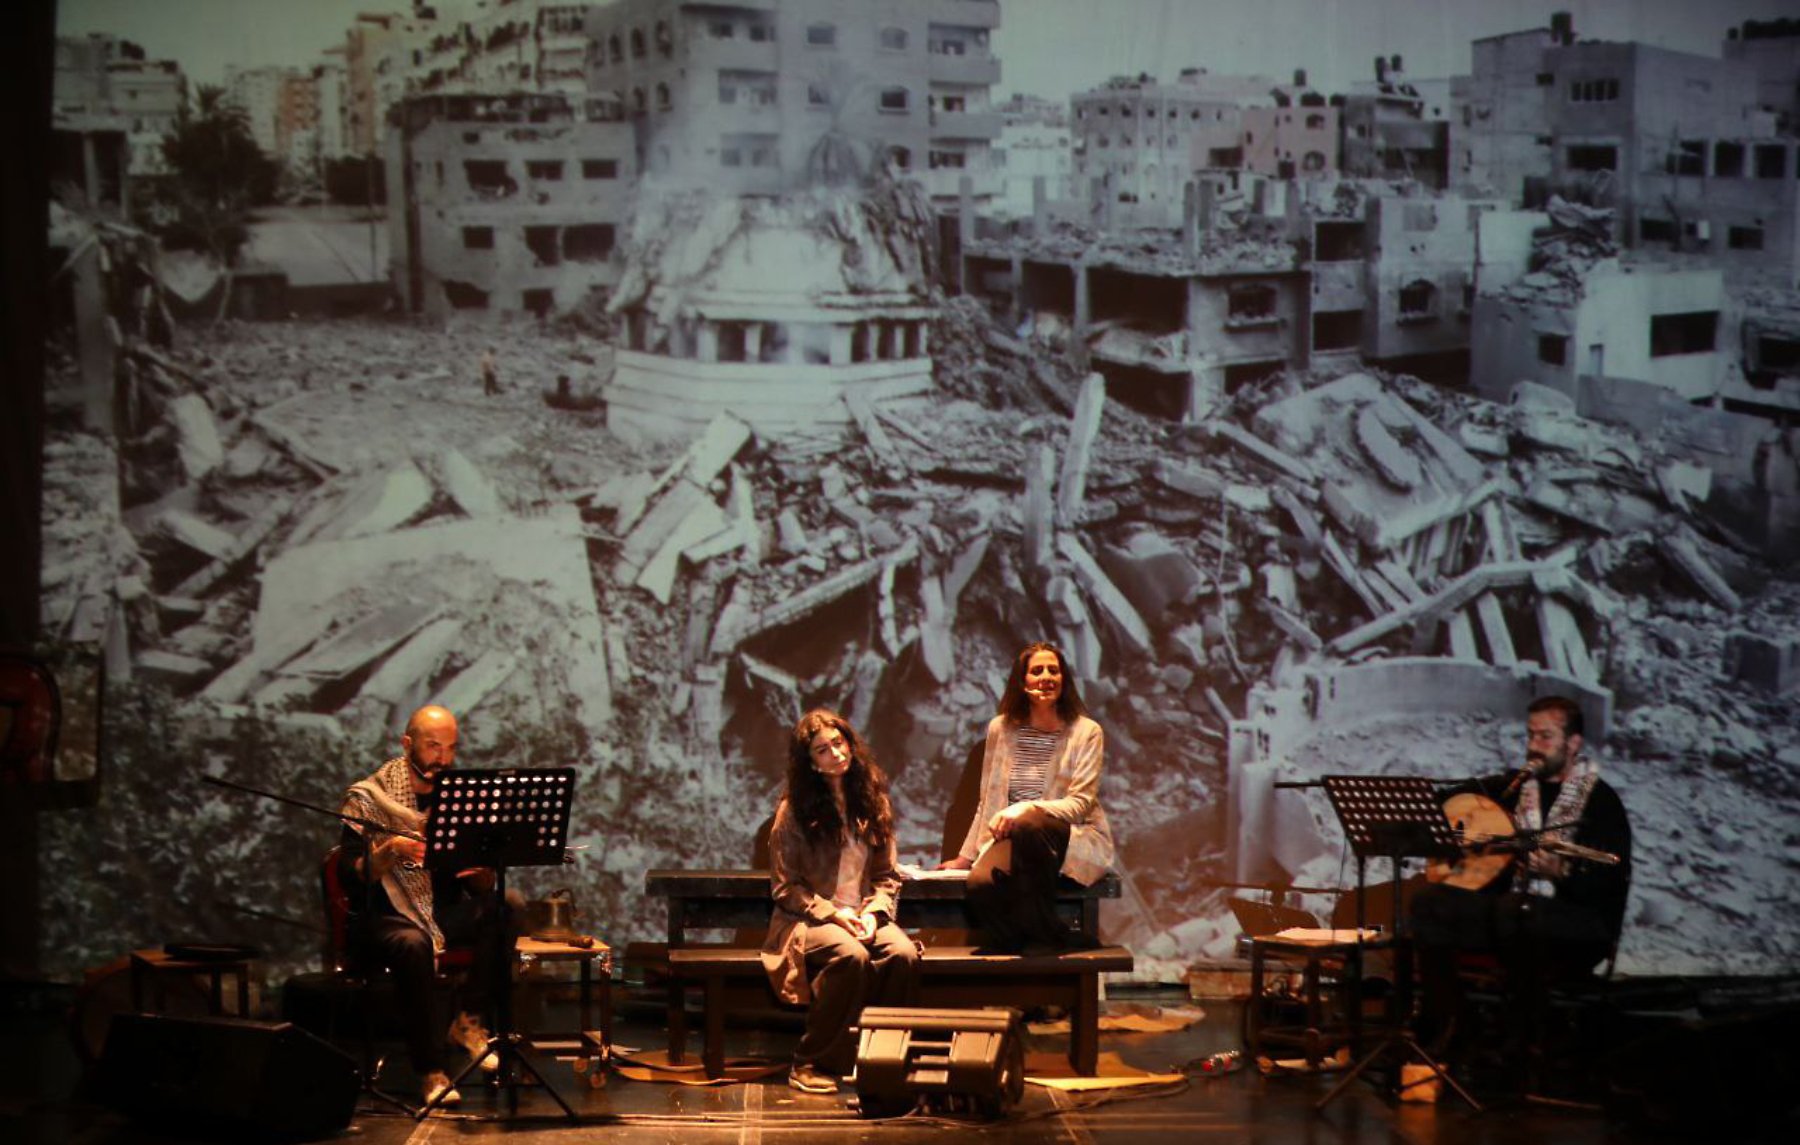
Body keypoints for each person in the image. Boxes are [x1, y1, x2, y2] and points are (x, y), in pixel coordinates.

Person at [1408, 695, 1632, 1070]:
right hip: (1511, 915)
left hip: (1580, 924)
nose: (1533, 746)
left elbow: (1610, 879)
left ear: (1573, 743)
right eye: (1530, 735)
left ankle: (1520, 1041)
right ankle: (1459, 1029)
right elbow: (1450, 802)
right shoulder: (1513, 789)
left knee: (1518, 910)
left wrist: (1560, 872)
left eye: (1545, 736)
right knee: (1430, 903)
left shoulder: (1601, 801)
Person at [338, 705, 516, 1107]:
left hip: (437, 912)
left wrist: (480, 868)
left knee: (506, 904)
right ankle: (429, 1070)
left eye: (451, 748)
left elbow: (480, 884)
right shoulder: (370, 797)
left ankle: (468, 1020)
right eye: (434, 746)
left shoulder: (460, 796)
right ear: (408, 744)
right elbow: (352, 875)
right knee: (412, 943)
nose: (444, 758)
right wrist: (390, 850)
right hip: (381, 918)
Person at [762, 709, 920, 1095]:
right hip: (806, 922)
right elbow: (785, 888)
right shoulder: (795, 811)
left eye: (839, 743)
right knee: (851, 955)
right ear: (811, 763)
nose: (835, 753)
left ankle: (881, 1055)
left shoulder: (872, 802)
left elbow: (886, 876)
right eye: (822, 750)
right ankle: (810, 1061)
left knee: (902, 953)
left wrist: (873, 913)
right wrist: (835, 914)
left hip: (862, 915)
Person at [938, 641, 1115, 953]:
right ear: (1022, 681)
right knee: (981, 884)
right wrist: (966, 857)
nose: (1046, 676)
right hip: (1014, 836)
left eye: (1053, 670)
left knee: (1032, 822)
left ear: (1064, 679)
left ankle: (1043, 944)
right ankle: (1047, 940)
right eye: (1036, 671)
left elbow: (1079, 805)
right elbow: (987, 800)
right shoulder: (1001, 729)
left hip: (1068, 836)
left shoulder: (1086, 731)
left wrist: (1024, 808)